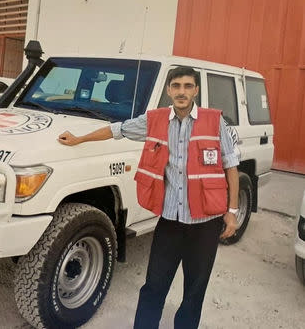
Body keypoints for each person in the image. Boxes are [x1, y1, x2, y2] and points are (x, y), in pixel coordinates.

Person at [58, 66, 239, 329]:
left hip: (205, 224)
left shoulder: (215, 121)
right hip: (170, 222)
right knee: (154, 286)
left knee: (194, 293)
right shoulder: (154, 119)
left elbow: (231, 166)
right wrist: (79, 140)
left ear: (196, 90)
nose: (181, 92)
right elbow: (117, 130)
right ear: (168, 90)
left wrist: (232, 212)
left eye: (188, 86)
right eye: (176, 86)